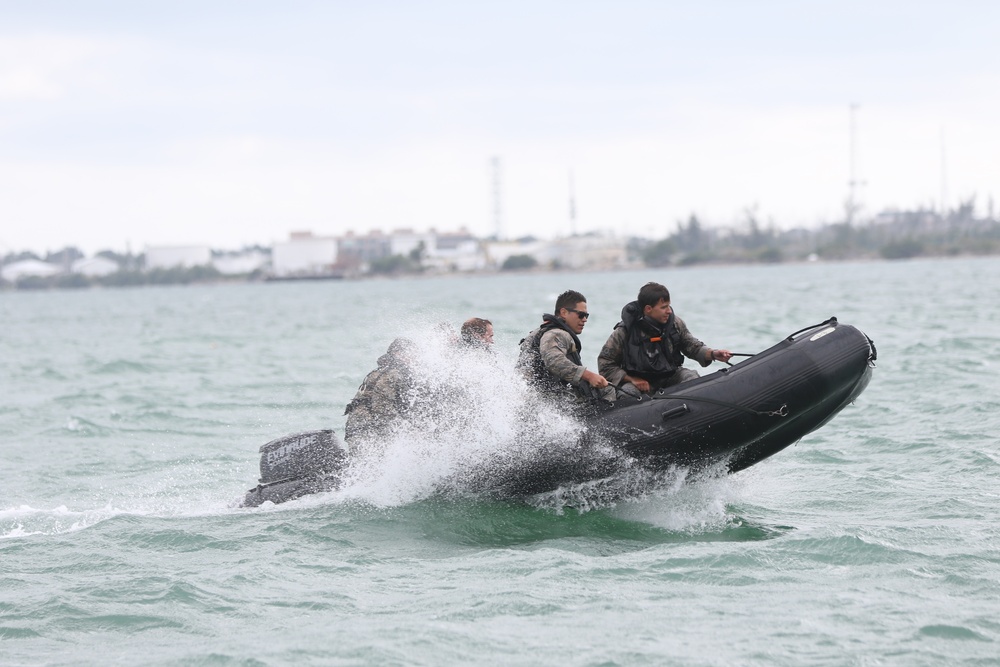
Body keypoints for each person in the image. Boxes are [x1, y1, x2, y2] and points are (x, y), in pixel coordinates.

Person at [599, 282, 732, 397]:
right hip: (639, 383)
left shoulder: (675, 324)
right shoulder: (624, 332)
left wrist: (713, 354)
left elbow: (691, 345)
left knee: (690, 377)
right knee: (627, 392)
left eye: (669, 306)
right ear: (648, 309)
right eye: (663, 307)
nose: (669, 311)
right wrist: (632, 379)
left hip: (671, 376)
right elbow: (605, 363)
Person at [517, 290, 616, 405]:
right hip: (549, 400)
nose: (585, 319)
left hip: (533, 397)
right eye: (581, 315)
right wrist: (589, 376)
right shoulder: (558, 334)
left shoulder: (538, 332)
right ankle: (608, 420)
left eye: (586, 315)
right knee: (607, 389)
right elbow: (554, 360)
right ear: (563, 312)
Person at [343, 337, 418, 442]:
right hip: (370, 432)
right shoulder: (398, 374)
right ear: (398, 353)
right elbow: (382, 407)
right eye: (411, 353)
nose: (414, 358)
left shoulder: (378, 372)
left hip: (356, 430)